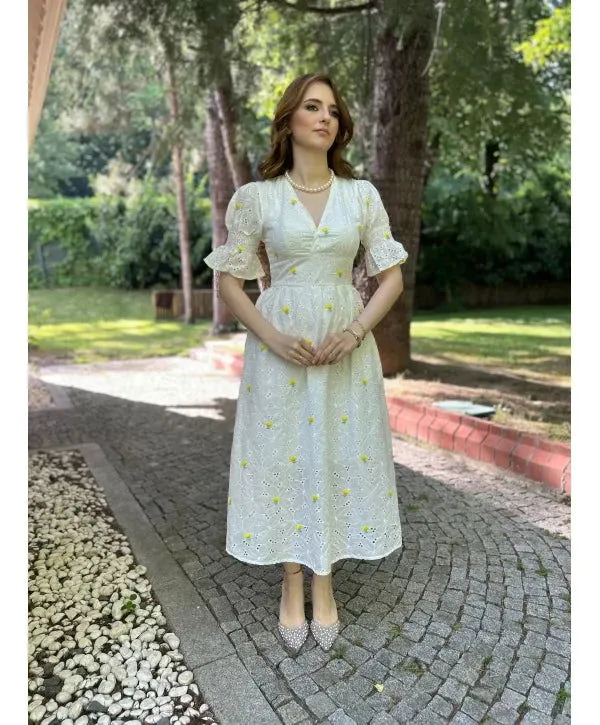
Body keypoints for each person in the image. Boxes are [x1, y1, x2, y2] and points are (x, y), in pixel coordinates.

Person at [203, 73, 407, 653]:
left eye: (334, 111)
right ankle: (292, 582)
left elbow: (390, 277)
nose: (325, 118)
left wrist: (355, 329)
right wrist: (269, 336)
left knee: (337, 456)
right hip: (280, 351)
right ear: (290, 117)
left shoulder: (361, 194)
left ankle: (326, 581)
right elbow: (231, 280)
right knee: (285, 458)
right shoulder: (258, 197)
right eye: (312, 107)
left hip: (344, 347)